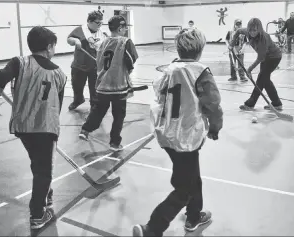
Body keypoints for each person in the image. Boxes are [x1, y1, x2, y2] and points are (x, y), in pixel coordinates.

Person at [133, 28, 223, 237]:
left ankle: (193, 216)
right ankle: (153, 228)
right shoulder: (200, 72)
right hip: (186, 135)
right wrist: (215, 128)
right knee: (185, 187)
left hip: (167, 134)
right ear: (200, 49)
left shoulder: (169, 69)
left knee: (192, 176)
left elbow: (158, 97)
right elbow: (213, 105)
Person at [0, 26, 67, 230]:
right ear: (50, 47)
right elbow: (57, 107)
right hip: (45, 127)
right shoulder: (60, 74)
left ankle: (46, 193)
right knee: (43, 170)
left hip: (22, 126)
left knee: (38, 161)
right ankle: (37, 214)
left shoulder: (20, 62)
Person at [78, 15, 138, 151]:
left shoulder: (103, 42)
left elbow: (98, 62)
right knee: (119, 116)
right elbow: (131, 60)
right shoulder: (125, 42)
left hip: (102, 85)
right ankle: (114, 143)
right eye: (124, 28)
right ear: (121, 28)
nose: (126, 31)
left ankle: (85, 130)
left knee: (98, 111)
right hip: (118, 86)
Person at [229, 18, 283, 111]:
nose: (252, 33)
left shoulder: (263, 39)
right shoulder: (247, 31)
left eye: (255, 30)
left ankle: (250, 104)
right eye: (250, 30)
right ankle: (276, 103)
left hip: (273, 57)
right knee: (265, 80)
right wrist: (232, 44)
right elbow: (238, 31)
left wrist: (249, 70)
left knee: (261, 79)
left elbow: (260, 58)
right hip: (266, 57)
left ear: (259, 29)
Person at [66, 10, 107, 110]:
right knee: (77, 86)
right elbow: (69, 39)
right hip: (79, 65)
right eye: (97, 23)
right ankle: (78, 100)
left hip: (95, 66)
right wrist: (76, 40)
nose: (100, 25)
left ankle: (94, 104)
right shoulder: (80, 30)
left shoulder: (103, 33)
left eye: (101, 23)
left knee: (95, 88)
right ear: (89, 21)